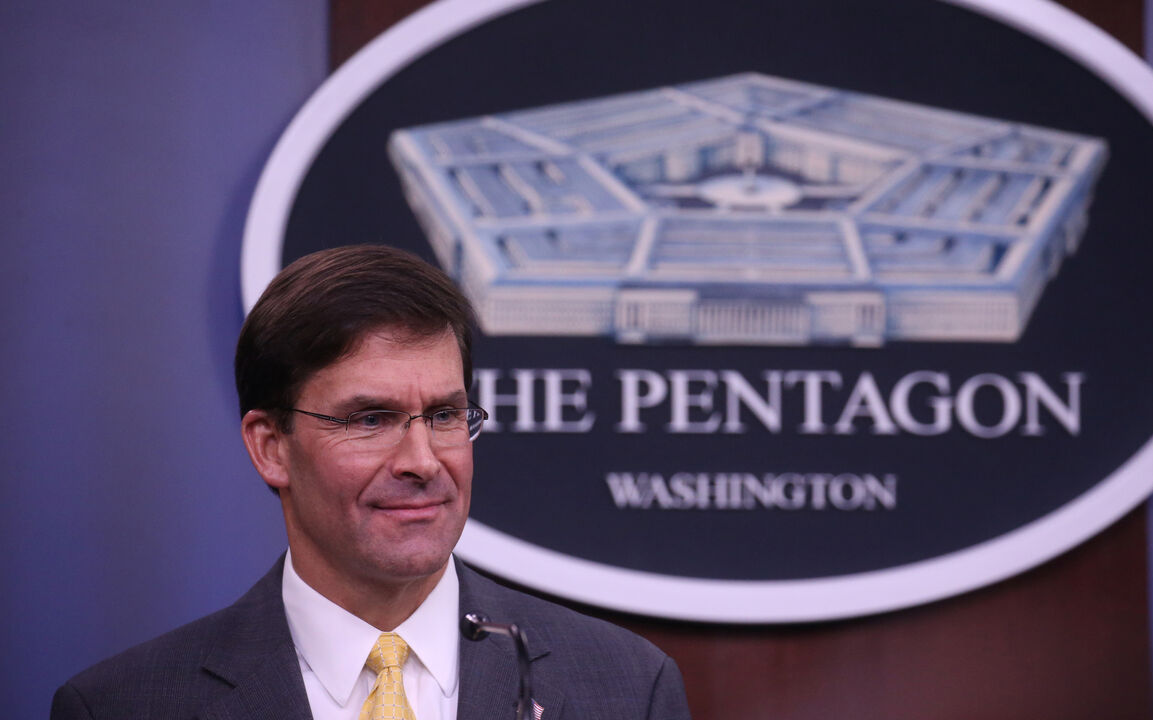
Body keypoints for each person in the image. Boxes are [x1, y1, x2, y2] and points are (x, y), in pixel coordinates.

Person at [51, 245, 691, 720]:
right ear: (271, 447)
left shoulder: (627, 688)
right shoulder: (123, 706)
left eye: (443, 415)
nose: (422, 459)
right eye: (371, 419)